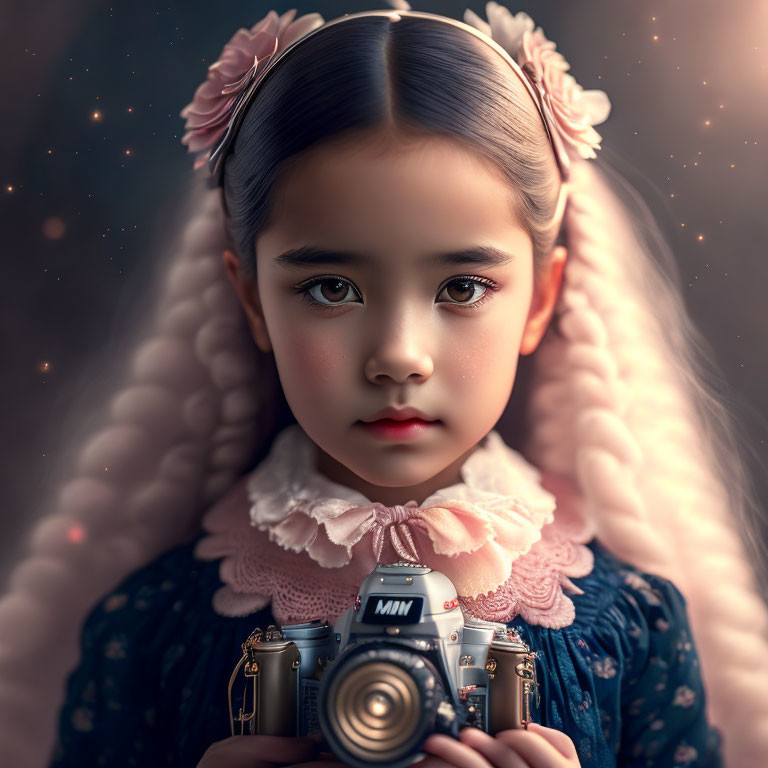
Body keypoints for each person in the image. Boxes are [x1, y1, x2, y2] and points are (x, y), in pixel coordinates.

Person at [1, 2, 767, 766]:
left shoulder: (628, 624)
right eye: (331, 289)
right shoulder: (152, 628)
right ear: (252, 301)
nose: (400, 356)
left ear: (540, 299)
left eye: (463, 288)